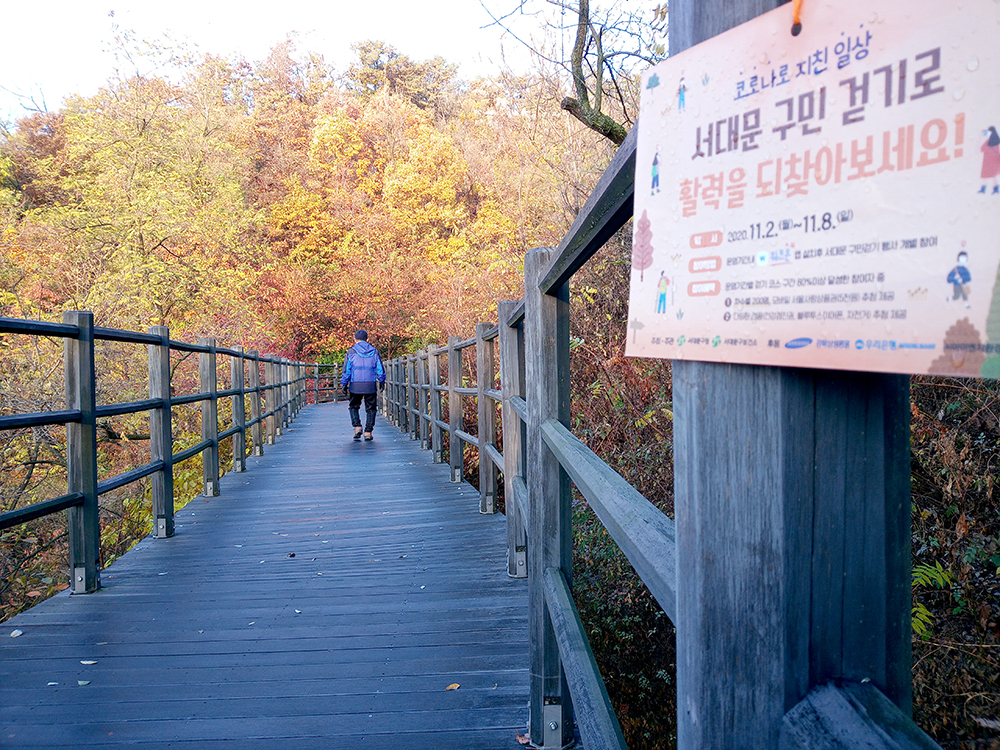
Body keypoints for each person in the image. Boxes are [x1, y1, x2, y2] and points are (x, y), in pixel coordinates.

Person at [340, 330, 386, 441]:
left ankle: (357, 427)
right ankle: (368, 432)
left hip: (355, 385)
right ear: (367, 339)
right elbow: (379, 368)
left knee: (353, 406)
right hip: (370, 384)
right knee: (371, 409)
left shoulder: (351, 352)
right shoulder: (374, 351)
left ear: (355, 339)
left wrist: (344, 383)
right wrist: (381, 381)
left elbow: (347, 370)